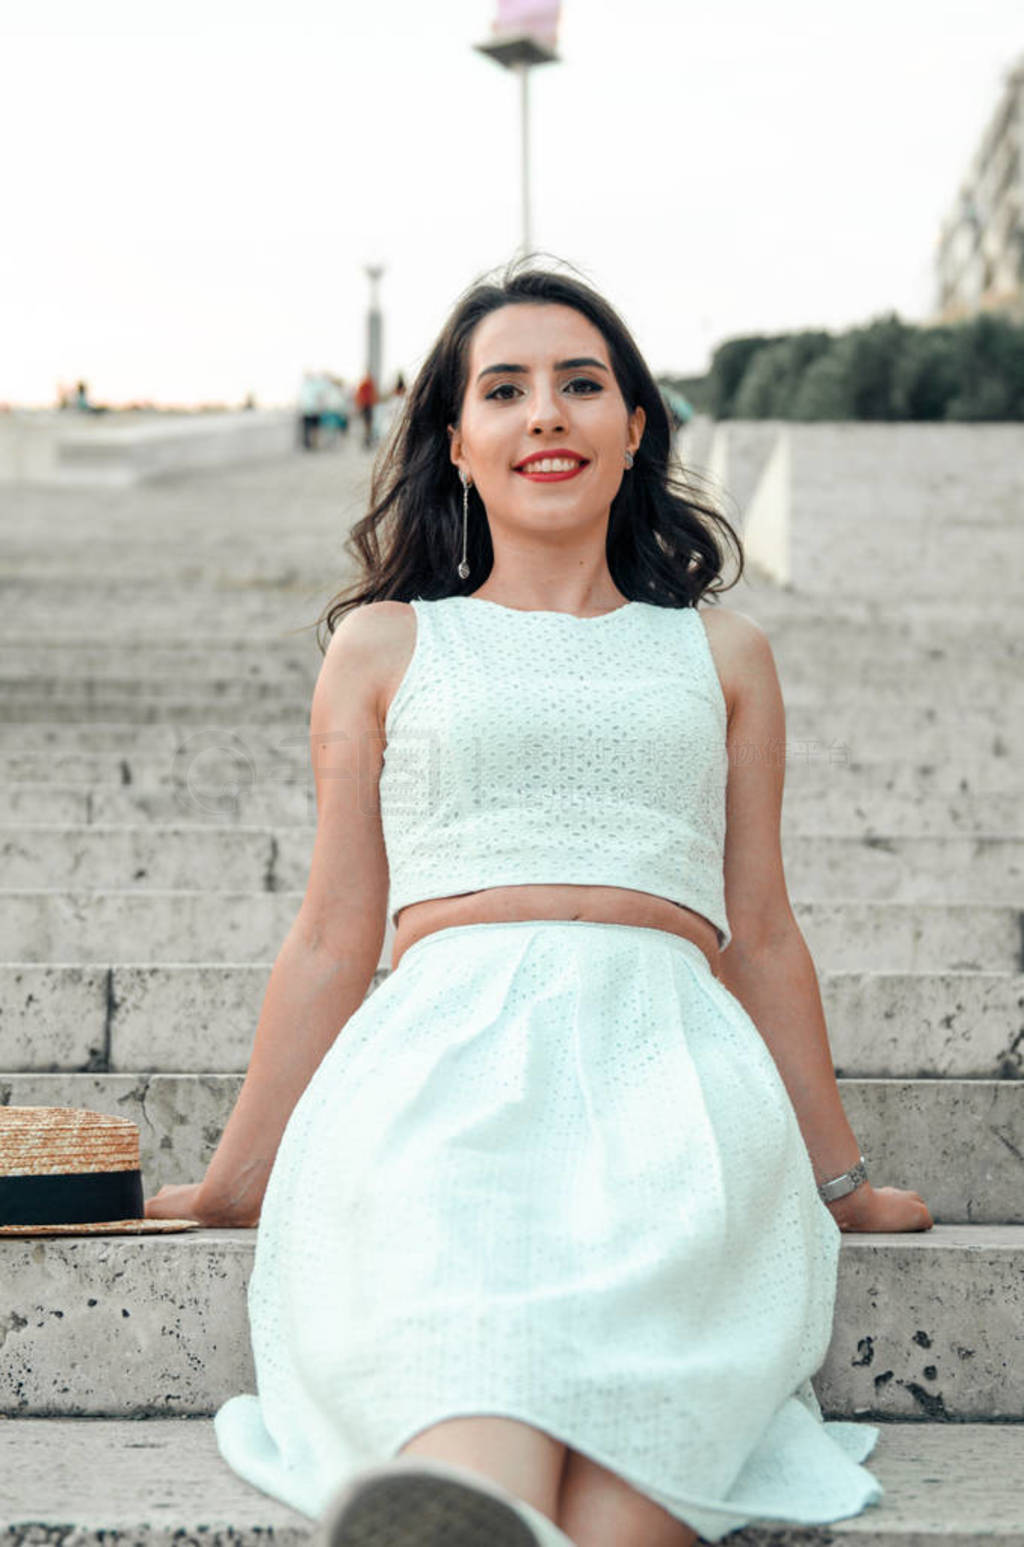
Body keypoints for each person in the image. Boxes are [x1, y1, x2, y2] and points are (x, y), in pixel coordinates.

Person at [146, 259, 933, 1547]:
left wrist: (836, 1180)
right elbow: (338, 929)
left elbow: (768, 932)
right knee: (471, 1324)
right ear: (457, 444)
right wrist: (240, 1174)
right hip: (440, 1065)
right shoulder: (388, 642)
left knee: (647, 1430)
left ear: (636, 429)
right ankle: (469, 1501)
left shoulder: (720, 652)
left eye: (581, 383)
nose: (546, 414)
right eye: (503, 390)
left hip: (668, 1062)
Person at [354, 370, 378, 448]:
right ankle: (366, 440)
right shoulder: (368, 384)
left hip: (365, 406)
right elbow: (373, 396)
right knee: (368, 425)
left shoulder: (364, 384)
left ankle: (366, 440)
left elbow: (359, 396)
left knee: (366, 425)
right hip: (367, 406)